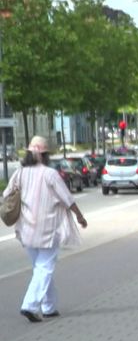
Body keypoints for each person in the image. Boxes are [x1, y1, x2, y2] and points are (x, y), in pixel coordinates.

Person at [2, 136, 88, 322]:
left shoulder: (20, 173)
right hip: (48, 229)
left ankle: (49, 306)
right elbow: (67, 199)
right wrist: (80, 217)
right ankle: (30, 305)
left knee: (39, 268)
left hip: (26, 229)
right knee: (45, 268)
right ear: (44, 155)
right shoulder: (50, 174)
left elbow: (7, 194)